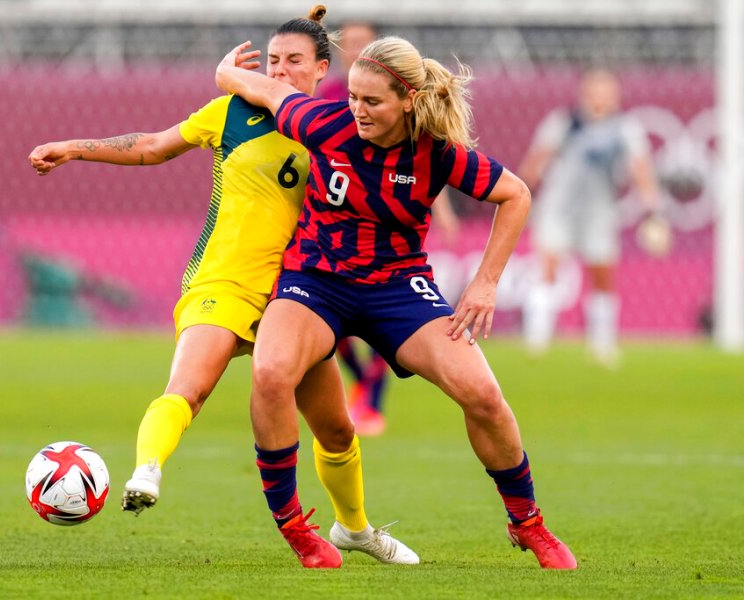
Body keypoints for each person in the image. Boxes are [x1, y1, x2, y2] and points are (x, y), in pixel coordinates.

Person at [28, 7, 417, 569]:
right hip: (223, 282)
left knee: (336, 427)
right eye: (273, 60)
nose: (280, 72)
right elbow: (154, 146)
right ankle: (147, 470)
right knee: (188, 388)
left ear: (322, 69)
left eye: (295, 62)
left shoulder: (336, 128)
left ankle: (354, 529)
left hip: (296, 296)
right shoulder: (230, 112)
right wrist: (74, 146)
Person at [216, 33, 578, 569]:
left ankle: (528, 523)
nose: (357, 110)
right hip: (316, 280)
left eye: (372, 101)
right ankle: (296, 528)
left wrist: (484, 283)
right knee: (270, 373)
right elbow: (254, 86)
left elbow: (516, 194)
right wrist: (227, 69)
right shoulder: (321, 122)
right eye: (353, 98)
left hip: (396, 287)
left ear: (408, 100)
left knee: (482, 393)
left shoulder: (436, 152)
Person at [319, 21, 461, 437]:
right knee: (330, 317)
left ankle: (372, 395)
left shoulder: (405, 108)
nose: (355, 50)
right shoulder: (332, 98)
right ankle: (361, 381)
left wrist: (446, 212)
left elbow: (428, 164)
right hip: (339, 227)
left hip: (392, 227)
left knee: (389, 313)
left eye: (364, 43)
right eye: (349, 44)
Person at [517, 68, 663, 366]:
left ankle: (602, 342)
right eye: (595, 91)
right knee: (548, 266)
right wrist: (520, 195)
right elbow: (536, 161)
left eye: (606, 92)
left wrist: (651, 209)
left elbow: (641, 170)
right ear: (584, 94)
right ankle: (537, 339)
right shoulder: (564, 123)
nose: (600, 98)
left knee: (602, 274)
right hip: (560, 208)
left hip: (599, 212)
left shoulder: (625, 129)